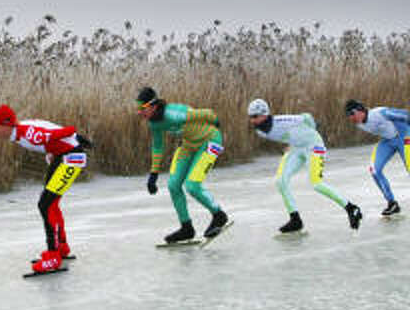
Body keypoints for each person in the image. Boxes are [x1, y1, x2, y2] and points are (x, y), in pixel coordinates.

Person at [0, 105, 90, 273]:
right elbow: (46, 126)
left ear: (7, 125)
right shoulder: (19, 131)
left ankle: (53, 256)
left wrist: (74, 134)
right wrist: (58, 146)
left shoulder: (26, 133)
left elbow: (54, 133)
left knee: (45, 205)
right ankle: (61, 247)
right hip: (61, 155)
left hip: (71, 156)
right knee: (51, 203)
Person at [248, 99, 362, 234]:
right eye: (250, 117)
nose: (252, 121)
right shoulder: (260, 131)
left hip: (314, 146)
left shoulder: (282, 121)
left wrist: (312, 132)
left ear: (265, 114)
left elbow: (306, 117)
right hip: (296, 148)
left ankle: (351, 208)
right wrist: (291, 143)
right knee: (280, 181)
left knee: (316, 184)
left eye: (255, 117)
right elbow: (288, 135)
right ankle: (295, 219)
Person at [136, 87, 230, 243]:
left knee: (192, 186)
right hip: (188, 145)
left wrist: (215, 121)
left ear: (153, 106)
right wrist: (154, 174)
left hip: (209, 140)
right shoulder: (154, 123)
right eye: (138, 108)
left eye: (142, 108)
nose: (139, 112)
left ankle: (219, 215)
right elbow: (158, 147)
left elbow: (207, 113)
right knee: (173, 185)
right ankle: (186, 228)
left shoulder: (174, 115)